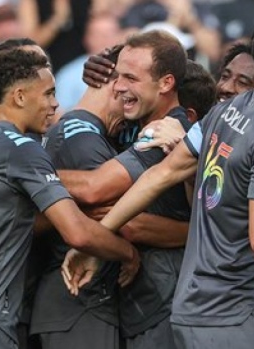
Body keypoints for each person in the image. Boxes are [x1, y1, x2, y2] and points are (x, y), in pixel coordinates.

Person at [64, 17, 254, 348]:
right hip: (230, 318)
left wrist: (98, 240)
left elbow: (160, 175)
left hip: (190, 312)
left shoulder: (227, 112)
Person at [0, 42, 140, 348]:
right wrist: (127, 253)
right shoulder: (22, 150)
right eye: (49, 94)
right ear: (20, 96)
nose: (55, 104)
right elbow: (77, 233)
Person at [54, 30, 191, 349]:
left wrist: (21, 170)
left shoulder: (165, 133)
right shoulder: (133, 124)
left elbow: (93, 190)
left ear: (167, 83)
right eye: (115, 76)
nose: (118, 86)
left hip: (164, 304)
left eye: (130, 77)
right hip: (142, 302)